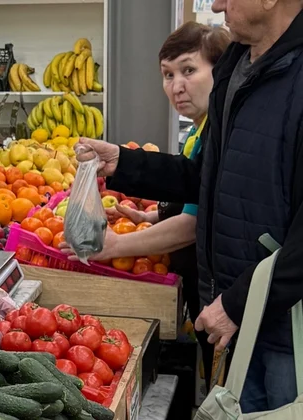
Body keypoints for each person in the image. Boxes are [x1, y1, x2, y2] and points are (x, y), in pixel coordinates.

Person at [74, 1, 303, 412]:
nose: (215, 4)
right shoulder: (238, 66)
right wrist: (124, 163)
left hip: (287, 332)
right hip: (238, 322)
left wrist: (237, 304)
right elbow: (206, 180)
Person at [74, 22, 229, 389]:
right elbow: (193, 192)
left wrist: (115, 246)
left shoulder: (217, 134)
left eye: (189, 70)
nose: (176, 86)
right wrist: (151, 214)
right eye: (167, 74)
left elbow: (194, 224)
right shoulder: (199, 130)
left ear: (220, 71)